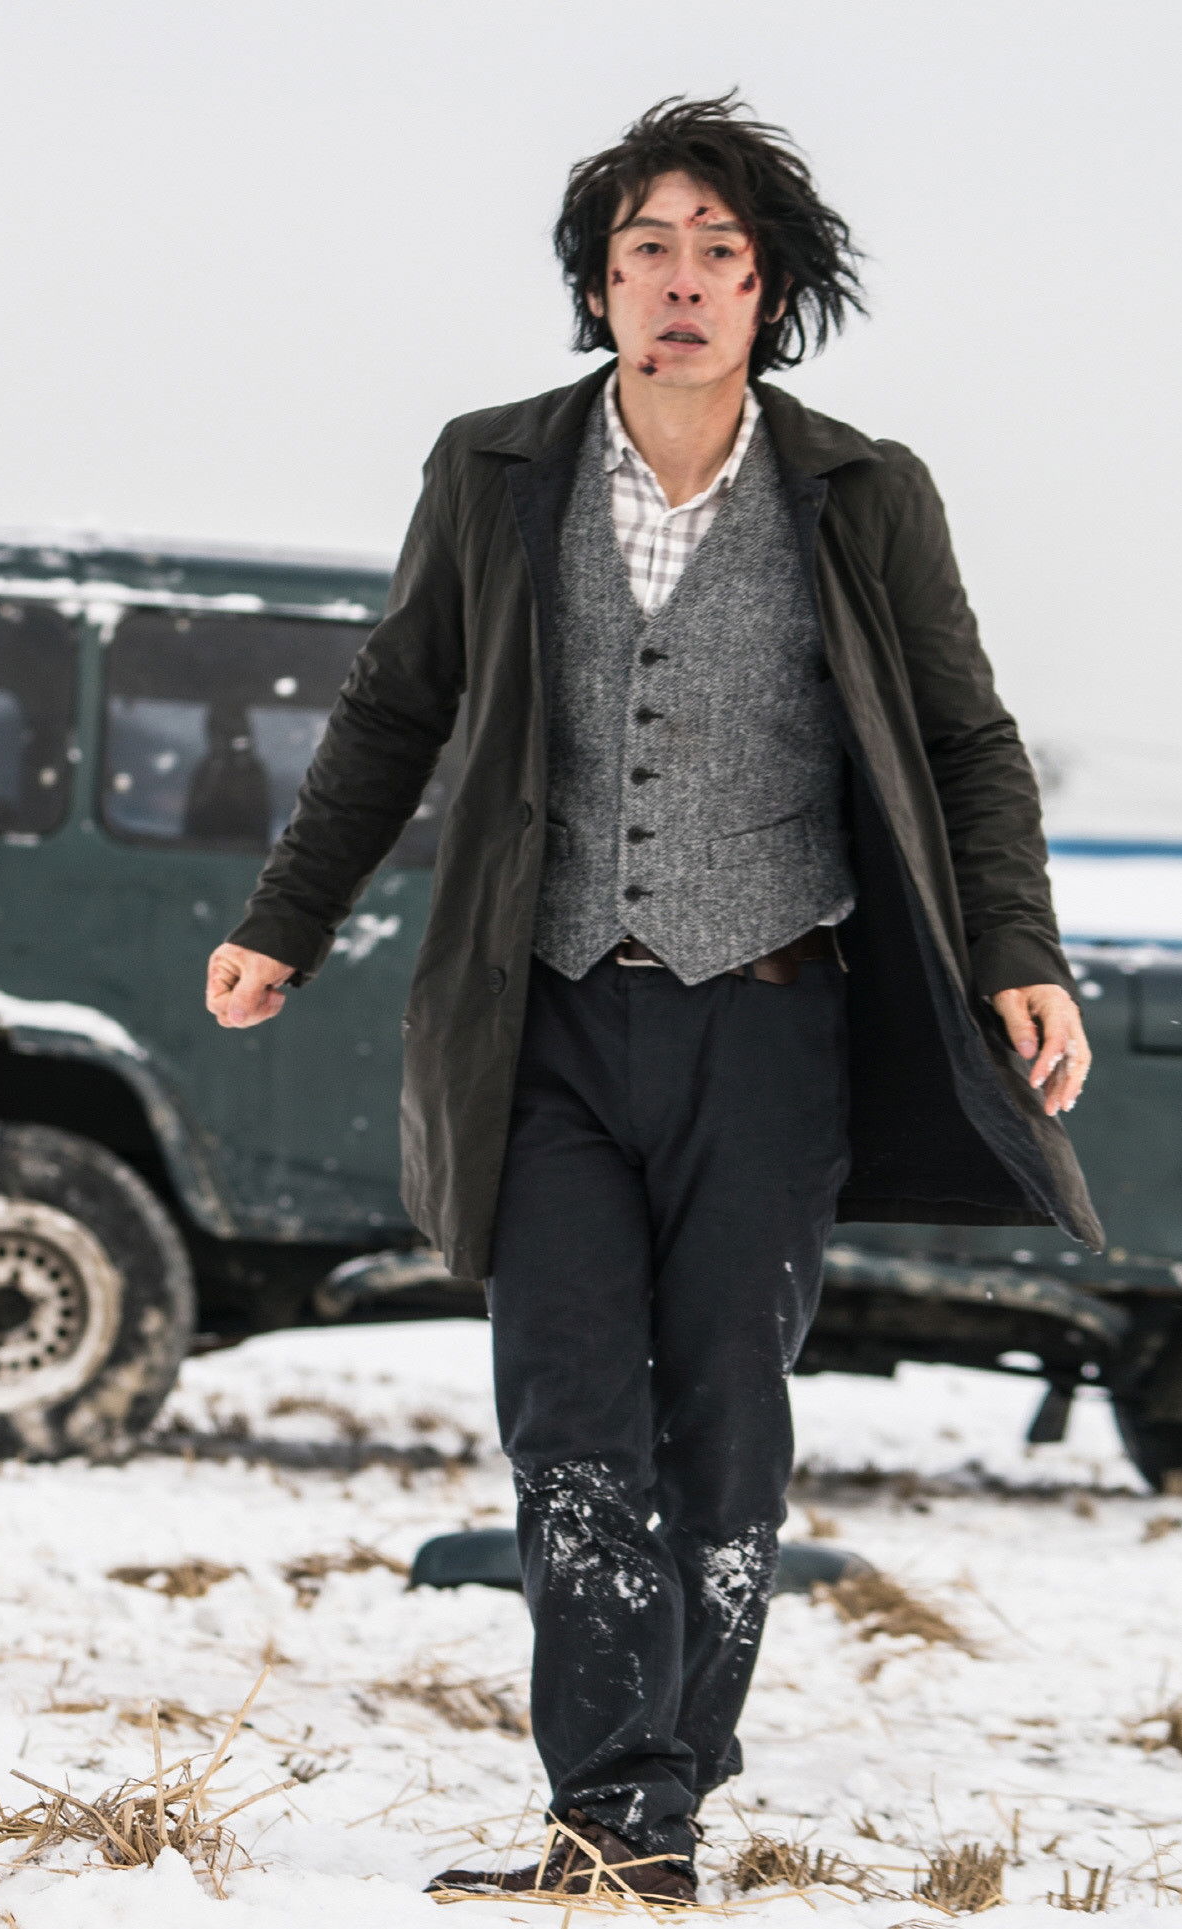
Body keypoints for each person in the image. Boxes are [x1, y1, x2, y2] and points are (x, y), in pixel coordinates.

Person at [201, 94, 1104, 1903]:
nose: (680, 283)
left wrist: (1019, 947)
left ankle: (664, 1780)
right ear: (598, 285)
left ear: (771, 290)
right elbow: (395, 705)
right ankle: (620, 1807)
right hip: (542, 1021)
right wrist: (285, 918)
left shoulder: (862, 492)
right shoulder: (492, 470)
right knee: (566, 1414)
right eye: (645, 252)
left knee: (722, 1416)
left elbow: (964, 739)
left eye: (717, 253)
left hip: (770, 1025)